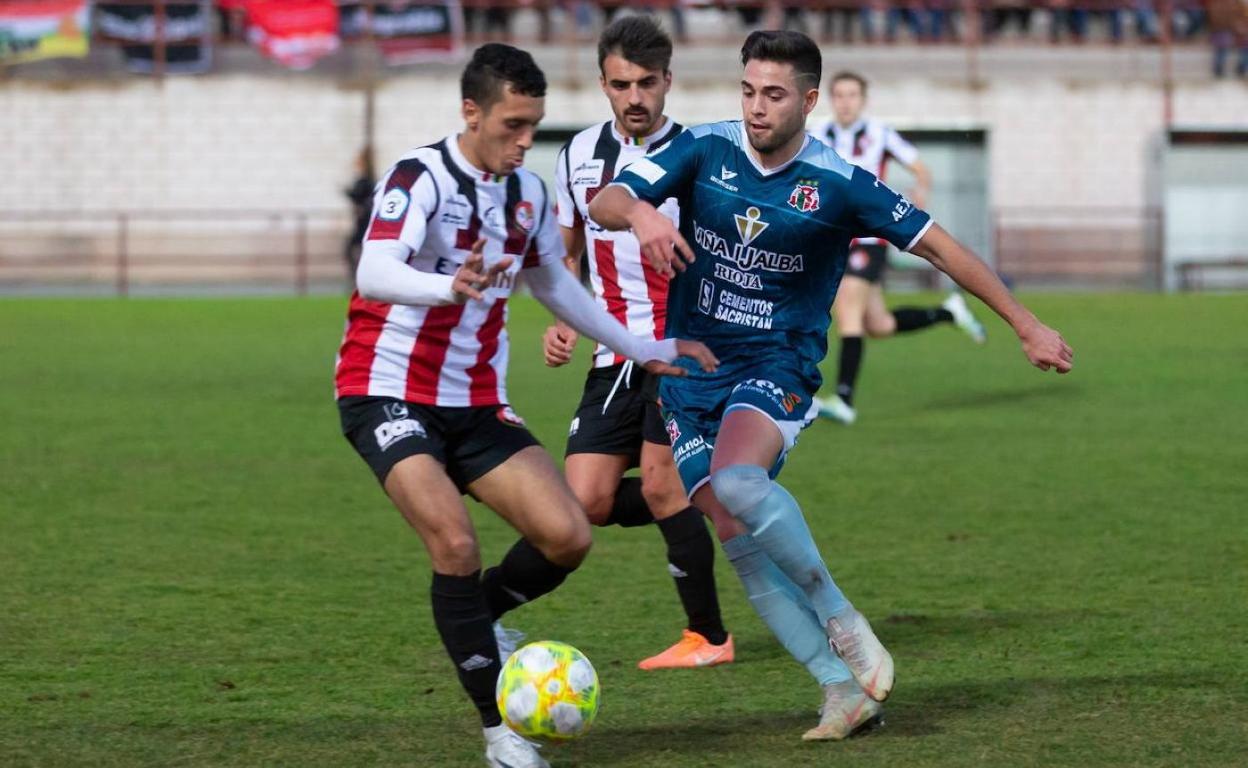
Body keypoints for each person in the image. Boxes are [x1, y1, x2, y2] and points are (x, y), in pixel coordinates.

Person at [589, 30, 1073, 740]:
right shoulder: (704, 148)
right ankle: (840, 692)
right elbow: (606, 199)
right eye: (749, 90)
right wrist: (639, 211)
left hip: (775, 366)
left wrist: (1024, 323)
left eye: (774, 94)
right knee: (736, 538)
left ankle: (844, 620)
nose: (756, 108)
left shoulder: (838, 183)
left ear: (809, 100)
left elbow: (939, 244)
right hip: (689, 376)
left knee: (740, 486)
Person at [333, 43, 716, 768]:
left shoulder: (530, 194)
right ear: (470, 112)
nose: (522, 141)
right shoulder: (420, 177)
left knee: (569, 534)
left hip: (474, 401)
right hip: (383, 389)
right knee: (453, 542)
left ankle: (477, 620)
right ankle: (499, 729)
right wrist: (446, 287)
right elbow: (374, 269)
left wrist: (642, 347)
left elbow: (557, 286)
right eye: (511, 125)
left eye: (532, 126)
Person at [543, 16, 733, 671]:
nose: (635, 97)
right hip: (613, 353)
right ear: (603, 83)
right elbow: (567, 253)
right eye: (621, 84)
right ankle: (710, 493)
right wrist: (564, 315)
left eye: (647, 83)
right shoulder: (575, 155)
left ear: (668, 81)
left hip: (682, 353)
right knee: (587, 499)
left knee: (656, 487)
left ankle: (707, 637)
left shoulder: (700, 157)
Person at [808, 71, 987, 425]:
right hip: (834, 237)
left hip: (869, 237)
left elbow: (921, 168)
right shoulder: (817, 135)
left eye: (852, 95)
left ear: (863, 100)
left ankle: (844, 399)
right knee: (879, 324)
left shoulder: (880, 134)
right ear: (831, 99)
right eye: (840, 95)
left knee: (848, 313)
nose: (845, 102)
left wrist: (920, 191)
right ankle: (948, 312)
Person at [343, 145, 375, 284]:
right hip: (362, 223)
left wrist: (348, 193)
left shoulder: (366, 181)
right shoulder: (365, 180)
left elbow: (360, 197)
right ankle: (359, 276)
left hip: (364, 223)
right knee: (353, 250)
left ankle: (360, 277)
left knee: (353, 249)